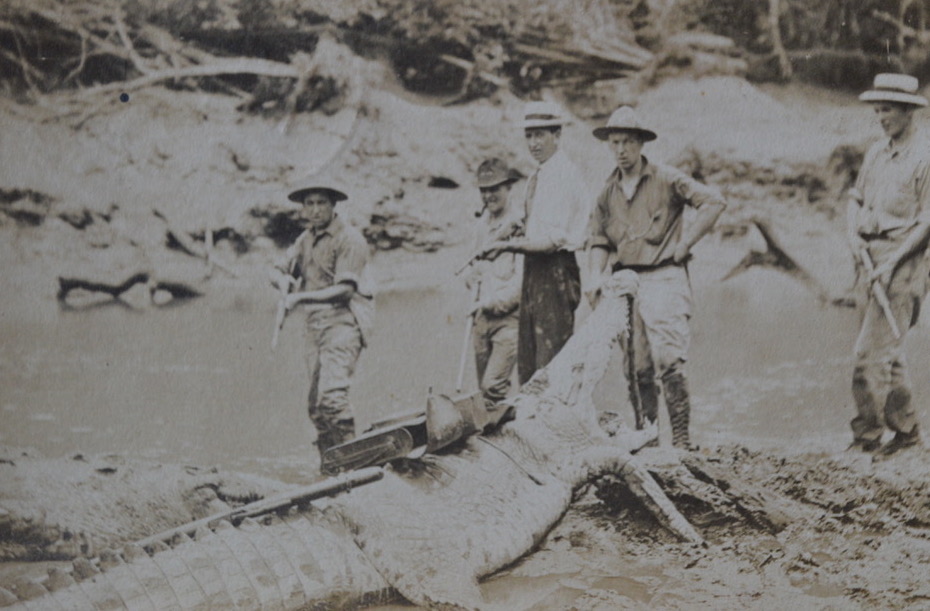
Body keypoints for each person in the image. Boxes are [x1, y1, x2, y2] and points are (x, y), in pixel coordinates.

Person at [587, 106, 726, 449]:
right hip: (625, 283)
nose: (621, 150)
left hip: (664, 276)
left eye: (628, 142)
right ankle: (647, 440)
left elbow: (713, 202)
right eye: (615, 142)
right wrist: (593, 276)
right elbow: (598, 239)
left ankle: (681, 441)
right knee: (636, 367)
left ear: (641, 144)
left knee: (670, 359)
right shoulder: (607, 192)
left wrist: (685, 243)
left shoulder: (666, 178)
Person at [845, 73, 930, 457]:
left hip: (904, 262)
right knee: (887, 351)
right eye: (878, 110)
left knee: (868, 356)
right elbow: (856, 199)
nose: (881, 117)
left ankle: (865, 439)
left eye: (889, 110)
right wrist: (852, 234)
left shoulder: (924, 157)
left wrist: (894, 261)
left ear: (909, 111)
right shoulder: (877, 152)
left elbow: (928, 221)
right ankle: (908, 433)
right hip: (868, 258)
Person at [479, 101, 591, 384]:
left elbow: (551, 242)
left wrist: (506, 247)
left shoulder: (564, 174)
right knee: (528, 368)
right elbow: (531, 224)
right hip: (533, 273)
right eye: (529, 136)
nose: (533, 143)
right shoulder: (536, 176)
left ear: (556, 134)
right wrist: (509, 231)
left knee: (551, 367)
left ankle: (557, 426)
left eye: (540, 135)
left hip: (556, 273)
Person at [273, 181, 374, 465]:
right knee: (316, 407)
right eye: (310, 204)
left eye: (321, 203)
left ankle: (355, 470)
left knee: (332, 399)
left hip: (344, 323)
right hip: (315, 327)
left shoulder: (349, 239)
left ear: (333, 205)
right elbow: (279, 268)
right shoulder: (304, 240)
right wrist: (281, 278)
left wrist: (300, 298)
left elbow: (345, 290)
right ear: (303, 208)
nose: (315, 210)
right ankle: (330, 469)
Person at [466, 158, 523, 405]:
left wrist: (492, 303)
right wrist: (471, 277)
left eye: (494, 189)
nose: (489, 196)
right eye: (484, 190)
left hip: (508, 320)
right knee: (484, 394)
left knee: (493, 385)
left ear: (508, 188)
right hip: (481, 319)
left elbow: (521, 284)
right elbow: (472, 267)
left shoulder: (520, 225)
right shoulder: (481, 226)